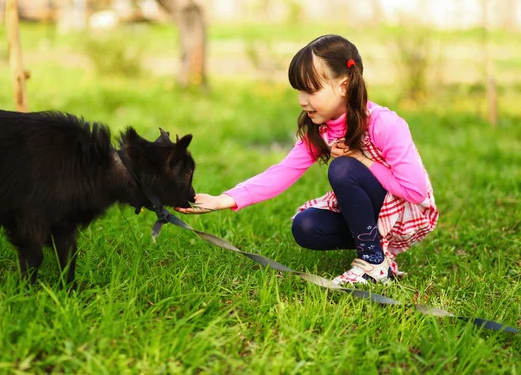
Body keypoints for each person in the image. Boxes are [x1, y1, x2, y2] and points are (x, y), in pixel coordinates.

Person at [176, 34, 439, 285]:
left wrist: (362, 159)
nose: (302, 101)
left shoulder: (385, 125)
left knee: (343, 168)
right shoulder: (323, 130)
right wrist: (224, 199)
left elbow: (414, 191)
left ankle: (373, 262)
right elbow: (281, 173)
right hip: (374, 212)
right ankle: (373, 251)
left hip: (406, 213)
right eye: (299, 91)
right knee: (307, 226)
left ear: (343, 86)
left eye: (310, 91)